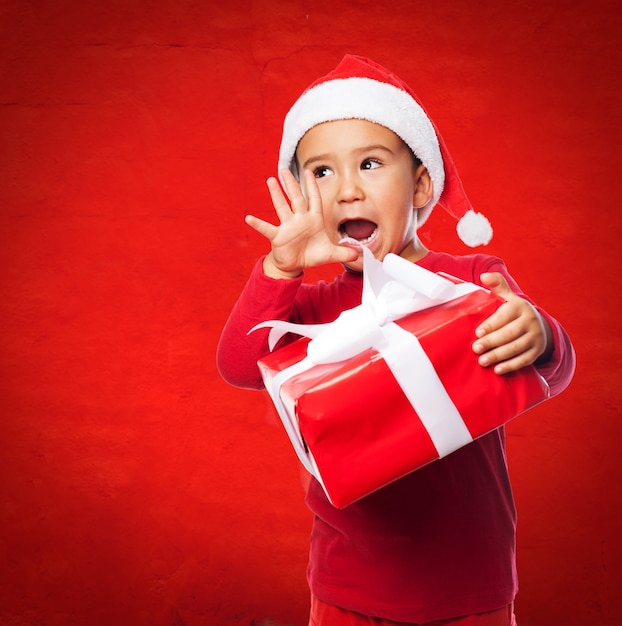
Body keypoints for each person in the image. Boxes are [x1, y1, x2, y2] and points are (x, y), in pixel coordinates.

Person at [217, 55, 575, 626]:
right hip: (347, 584)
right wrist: (280, 269)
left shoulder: (469, 279)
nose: (349, 190)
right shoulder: (309, 306)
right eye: (322, 172)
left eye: (371, 163)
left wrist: (539, 335)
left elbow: (550, 372)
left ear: (422, 182)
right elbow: (239, 364)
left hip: (470, 581)